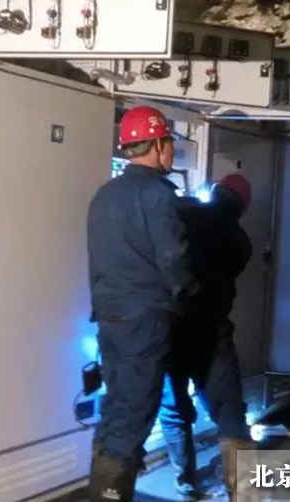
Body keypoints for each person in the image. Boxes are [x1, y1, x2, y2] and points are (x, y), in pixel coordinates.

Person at [86, 105, 199, 502]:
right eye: (168, 142)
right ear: (157, 145)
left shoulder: (105, 194)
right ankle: (110, 494)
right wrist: (189, 295)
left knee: (116, 409)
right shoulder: (158, 196)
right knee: (133, 414)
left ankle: (103, 489)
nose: (171, 151)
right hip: (144, 321)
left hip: (110, 318)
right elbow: (174, 261)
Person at [158, 174, 256, 500]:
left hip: (171, 328)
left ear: (214, 191)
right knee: (229, 414)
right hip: (213, 332)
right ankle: (243, 492)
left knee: (174, 409)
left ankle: (185, 484)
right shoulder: (241, 243)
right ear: (243, 206)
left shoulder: (184, 211)